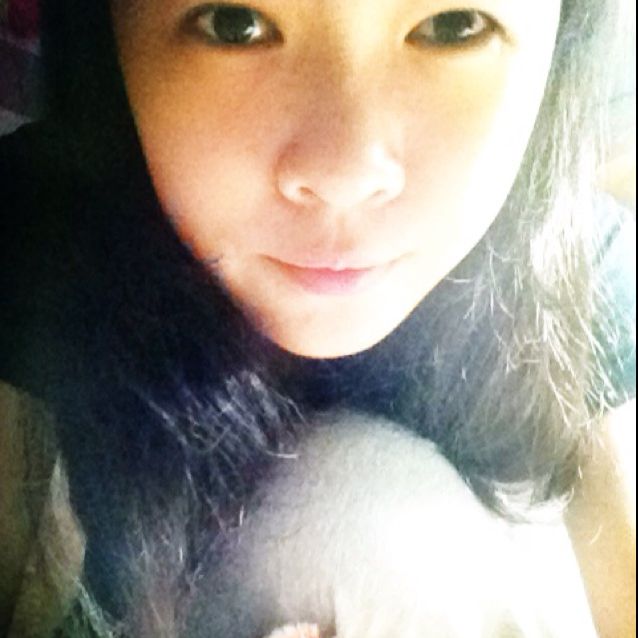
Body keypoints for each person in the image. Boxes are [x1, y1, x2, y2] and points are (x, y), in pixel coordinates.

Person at [0, 0, 635, 636]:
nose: (345, 173)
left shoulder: (574, 268)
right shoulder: (40, 243)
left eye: (452, 27)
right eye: (234, 25)